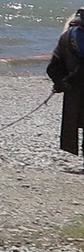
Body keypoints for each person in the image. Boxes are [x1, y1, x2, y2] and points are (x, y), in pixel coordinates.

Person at [50, 10, 84, 155]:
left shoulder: (66, 37)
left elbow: (53, 67)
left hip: (74, 90)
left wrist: (61, 82)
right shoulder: (69, 37)